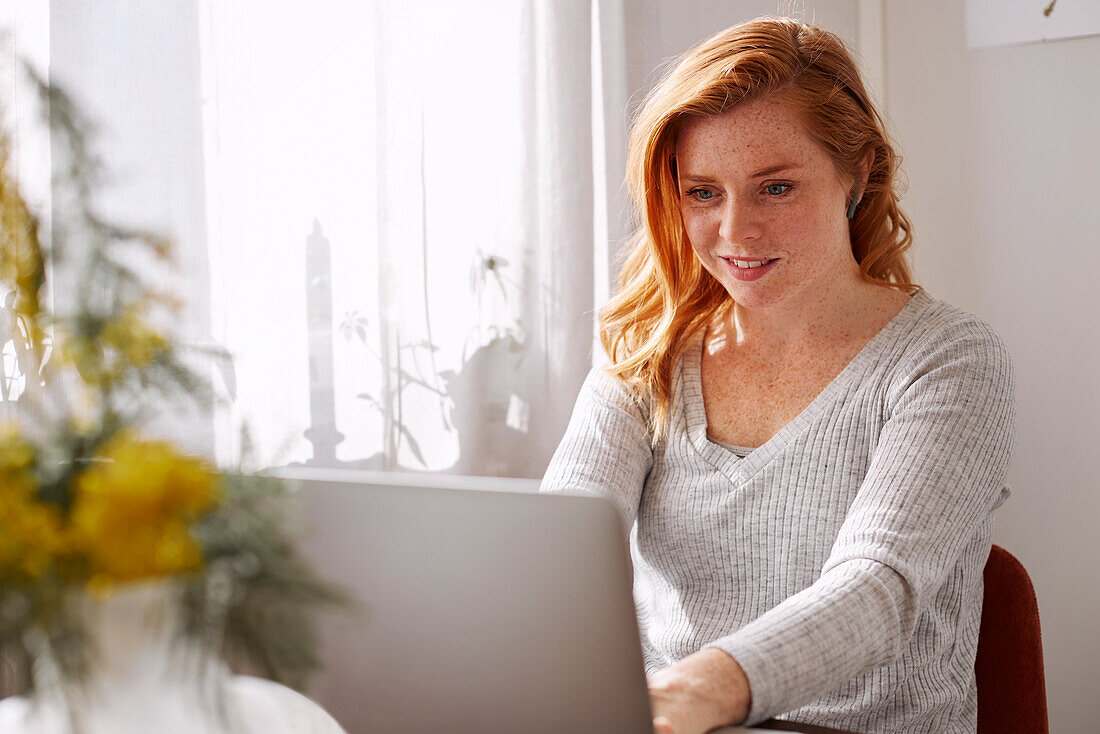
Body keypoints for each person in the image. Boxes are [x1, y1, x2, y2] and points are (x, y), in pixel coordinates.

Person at [539, 16, 1015, 734]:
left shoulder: (949, 359)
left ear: (860, 173)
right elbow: (561, 543)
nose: (737, 233)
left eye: (776, 188)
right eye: (703, 193)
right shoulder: (647, 356)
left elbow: (875, 590)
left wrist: (693, 694)